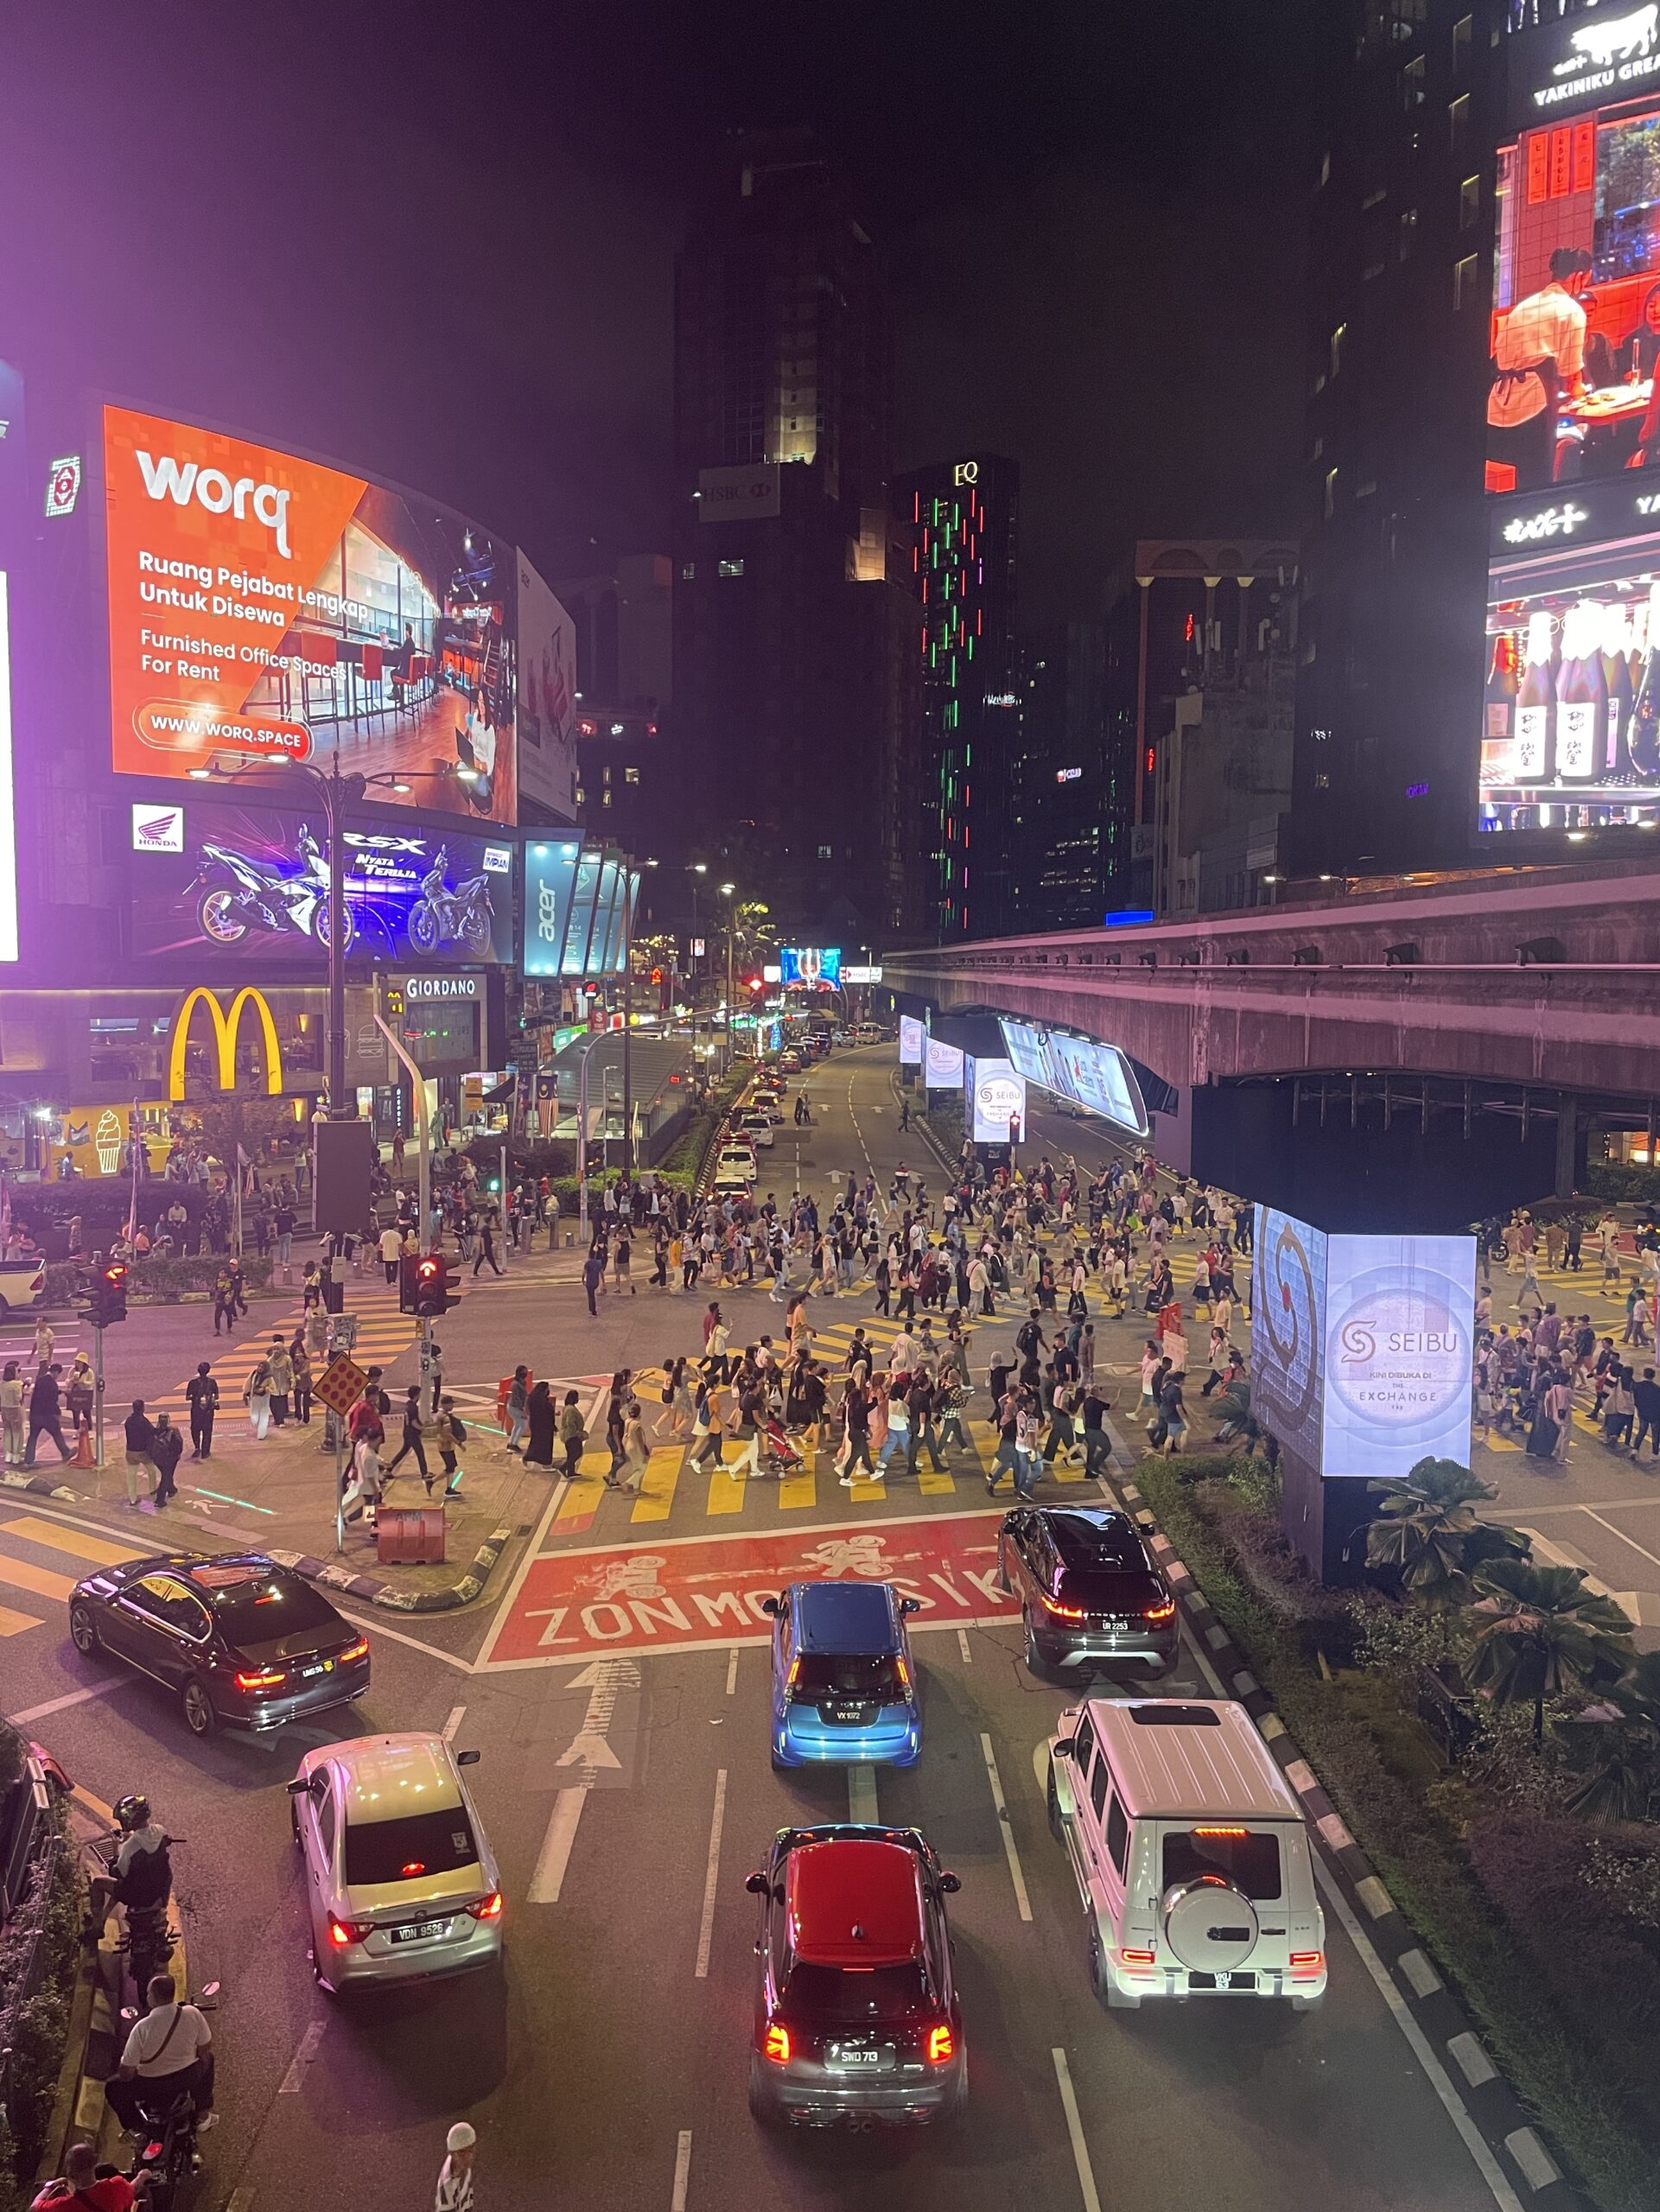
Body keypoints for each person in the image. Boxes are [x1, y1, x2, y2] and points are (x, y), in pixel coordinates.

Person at [105, 1972, 216, 2139]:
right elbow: (205, 2047)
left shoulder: (142, 2028)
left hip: (150, 2087)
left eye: (149, 1993)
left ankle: (135, 2128)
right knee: (209, 2059)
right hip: (188, 2078)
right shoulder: (192, 2013)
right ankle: (203, 2114)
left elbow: (126, 2073)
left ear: (153, 1997)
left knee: (112, 2087)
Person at [25, 1363, 71, 1465]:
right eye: (58, 1374)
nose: (57, 1376)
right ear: (56, 1372)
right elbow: (52, 1399)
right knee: (57, 1433)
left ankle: (28, 1461)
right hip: (47, 1415)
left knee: (32, 1437)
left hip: (35, 1414)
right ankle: (66, 1452)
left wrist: (60, 1391)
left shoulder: (41, 1380)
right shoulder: (52, 1384)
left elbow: (41, 1393)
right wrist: (57, 1411)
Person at [386, 1386, 430, 1486]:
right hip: (412, 1433)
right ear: (416, 1394)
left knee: (404, 1450)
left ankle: (389, 1468)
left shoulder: (409, 1405)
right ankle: (424, 1473)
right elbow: (414, 1422)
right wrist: (423, 1429)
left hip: (406, 1431)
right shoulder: (413, 1408)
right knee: (420, 1452)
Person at [435, 2121, 477, 2212]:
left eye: (471, 2149)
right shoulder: (447, 2188)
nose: (469, 2156)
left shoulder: (462, 2166)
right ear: (451, 2153)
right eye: (462, 2152)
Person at [185, 1363, 219, 1461]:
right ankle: (205, 1451)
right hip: (208, 1411)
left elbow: (187, 1397)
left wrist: (195, 1398)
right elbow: (216, 1396)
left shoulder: (192, 1383)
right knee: (207, 1431)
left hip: (196, 1411)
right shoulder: (212, 1382)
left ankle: (197, 1447)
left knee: (195, 1429)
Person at [151, 1414, 183, 1508]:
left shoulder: (154, 1431)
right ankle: (160, 1499)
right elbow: (178, 1444)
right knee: (166, 1477)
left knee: (167, 1475)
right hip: (170, 1459)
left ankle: (172, 1489)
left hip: (158, 1459)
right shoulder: (173, 1431)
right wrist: (177, 1455)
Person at [554, 1388, 584, 1475]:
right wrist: (576, 1432)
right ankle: (564, 1468)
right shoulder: (571, 1409)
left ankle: (571, 1471)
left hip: (568, 1435)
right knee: (577, 1452)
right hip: (572, 1435)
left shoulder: (567, 1408)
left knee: (571, 1454)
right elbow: (570, 1422)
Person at [244, 1351, 273, 1441]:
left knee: (264, 1415)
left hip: (264, 1398)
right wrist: (245, 1392)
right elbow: (248, 1383)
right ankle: (257, 1423)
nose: (260, 1368)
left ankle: (262, 1434)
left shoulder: (269, 1377)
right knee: (254, 1416)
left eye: (262, 1367)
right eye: (259, 1366)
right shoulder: (254, 1374)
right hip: (255, 1398)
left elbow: (273, 1388)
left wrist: (265, 1389)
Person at [0, 1361, 22, 1466]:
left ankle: (8, 1454)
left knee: (7, 1431)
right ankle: (16, 1456)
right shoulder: (17, 1384)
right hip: (15, 1409)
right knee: (17, 1432)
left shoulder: (2, 1383)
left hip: (4, 1409)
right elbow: (19, 1398)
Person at [504, 1366, 530, 1454]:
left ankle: (511, 1443)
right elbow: (516, 1399)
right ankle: (514, 1444)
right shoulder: (515, 1384)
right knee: (522, 1425)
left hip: (516, 1407)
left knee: (518, 1424)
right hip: (514, 1407)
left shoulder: (522, 1383)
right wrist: (523, 1411)